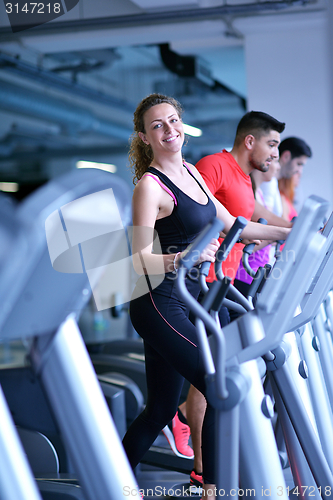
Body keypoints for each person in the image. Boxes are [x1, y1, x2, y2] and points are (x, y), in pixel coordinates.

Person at [122, 94, 290, 500]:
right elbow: (138, 260)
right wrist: (181, 257)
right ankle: (212, 490)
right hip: (158, 302)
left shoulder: (195, 175)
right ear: (144, 137)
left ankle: (111, 479)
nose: (169, 130)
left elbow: (235, 225)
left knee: (161, 409)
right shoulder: (150, 187)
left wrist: (292, 234)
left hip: (191, 299)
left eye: (173, 120)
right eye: (158, 125)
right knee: (219, 383)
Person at [185, 112, 295, 488]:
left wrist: (297, 228)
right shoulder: (213, 166)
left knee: (216, 374)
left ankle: (218, 458)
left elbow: (256, 216)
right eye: (272, 144)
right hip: (204, 284)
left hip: (226, 285)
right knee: (205, 379)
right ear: (250, 141)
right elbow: (195, 213)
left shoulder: (243, 178)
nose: (275, 154)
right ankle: (202, 467)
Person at [233, 157, 281, 297]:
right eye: (275, 161)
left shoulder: (259, 194)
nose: (278, 167)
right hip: (244, 273)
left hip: (256, 272)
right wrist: (273, 237)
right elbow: (247, 244)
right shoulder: (250, 195)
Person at [260, 136, 312, 221]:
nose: (300, 171)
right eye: (299, 164)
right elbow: (265, 219)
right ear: (286, 157)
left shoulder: (274, 183)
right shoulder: (268, 182)